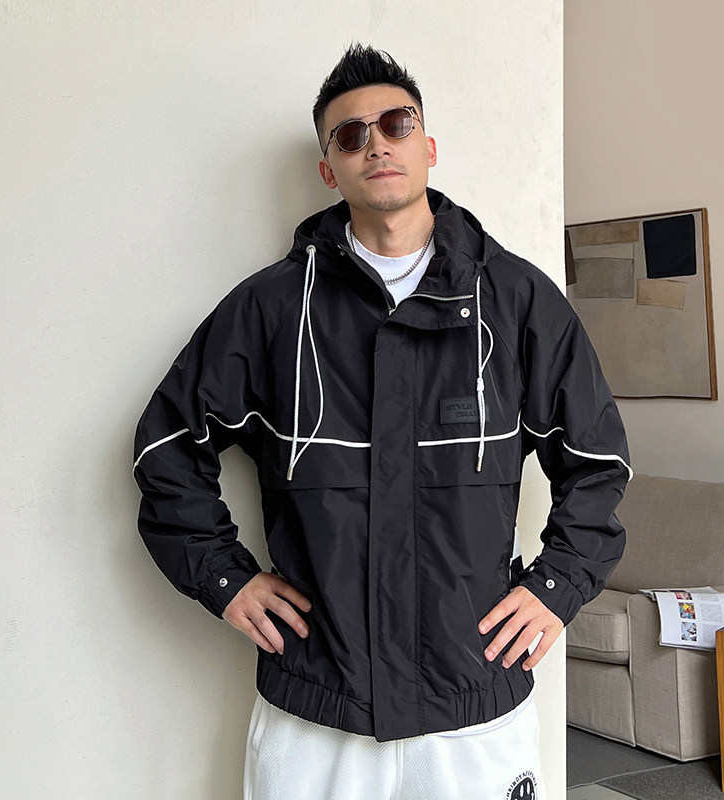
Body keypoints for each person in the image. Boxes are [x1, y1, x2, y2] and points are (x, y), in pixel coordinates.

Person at [133, 44, 631, 800]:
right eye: (350, 135)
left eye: (396, 124)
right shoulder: (272, 309)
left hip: (473, 710)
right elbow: (168, 446)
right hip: (316, 713)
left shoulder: (517, 303)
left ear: (427, 147)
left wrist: (558, 584)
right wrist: (225, 578)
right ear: (329, 169)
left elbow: (598, 461)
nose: (377, 144)